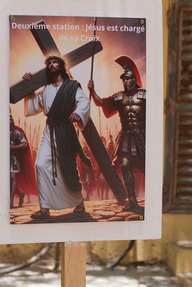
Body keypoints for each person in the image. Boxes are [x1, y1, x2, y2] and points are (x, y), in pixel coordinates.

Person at [22, 56, 92, 221]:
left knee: (68, 167)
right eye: (49, 63)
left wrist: (78, 112)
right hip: (49, 130)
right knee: (40, 164)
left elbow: (83, 102)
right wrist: (28, 85)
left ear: (61, 66)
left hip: (65, 130)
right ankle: (44, 208)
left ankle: (79, 202)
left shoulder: (71, 86)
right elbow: (34, 104)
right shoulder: (45, 89)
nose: (52, 65)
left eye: (55, 62)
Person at [87, 56, 147, 213]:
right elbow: (100, 102)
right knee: (125, 165)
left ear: (134, 79)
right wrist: (92, 91)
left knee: (149, 167)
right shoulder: (119, 97)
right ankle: (132, 199)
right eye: (123, 79)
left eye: (127, 79)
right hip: (127, 138)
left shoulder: (146, 96)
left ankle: (156, 197)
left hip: (144, 138)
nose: (125, 82)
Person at [9, 115, 36, 208]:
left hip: (14, 158)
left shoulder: (17, 132)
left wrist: (13, 147)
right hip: (3, 159)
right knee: (7, 180)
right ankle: (20, 194)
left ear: (11, 121)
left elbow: (24, 144)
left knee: (13, 176)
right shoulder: (0, 131)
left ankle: (11, 201)